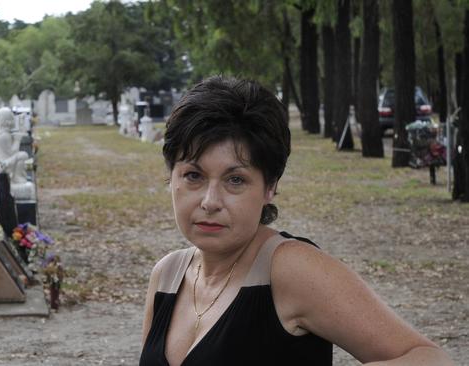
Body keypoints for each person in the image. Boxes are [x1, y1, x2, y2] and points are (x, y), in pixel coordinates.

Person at [140, 76, 453, 365]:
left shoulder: (290, 270)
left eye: (235, 180)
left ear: (270, 187)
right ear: (172, 177)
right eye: (193, 176)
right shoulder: (166, 275)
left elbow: (430, 358)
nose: (210, 202)